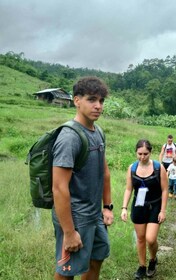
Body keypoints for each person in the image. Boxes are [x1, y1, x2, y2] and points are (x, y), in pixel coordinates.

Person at [52, 77, 114, 280]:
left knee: (97, 258)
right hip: (75, 218)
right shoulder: (69, 137)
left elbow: (104, 172)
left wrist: (107, 206)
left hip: (94, 215)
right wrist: (69, 232)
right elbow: (59, 188)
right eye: (92, 99)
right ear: (76, 100)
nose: (98, 106)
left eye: (101, 101)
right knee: (67, 271)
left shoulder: (99, 132)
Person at [121, 139, 168, 279]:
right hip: (139, 206)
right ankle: (142, 266)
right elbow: (129, 189)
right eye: (140, 153)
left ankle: (153, 259)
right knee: (141, 239)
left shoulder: (159, 168)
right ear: (136, 152)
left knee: (151, 239)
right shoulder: (132, 168)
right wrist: (124, 207)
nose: (142, 157)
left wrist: (163, 210)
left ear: (151, 152)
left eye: (145, 154)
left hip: (155, 206)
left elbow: (165, 190)